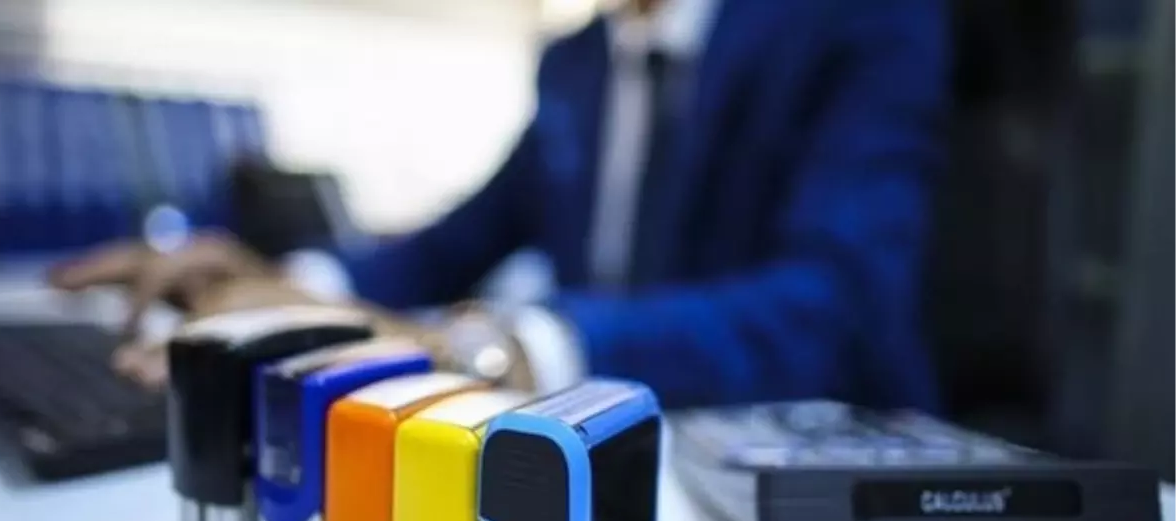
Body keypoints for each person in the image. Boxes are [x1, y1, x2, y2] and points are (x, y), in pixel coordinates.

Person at [50, 0, 950, 411]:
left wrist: (491, 347)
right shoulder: (578, 61)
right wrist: (286, 282)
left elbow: (834, 305)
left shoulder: (864, 20)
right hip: (598, 445)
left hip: (809, 485)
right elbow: (452, 245)